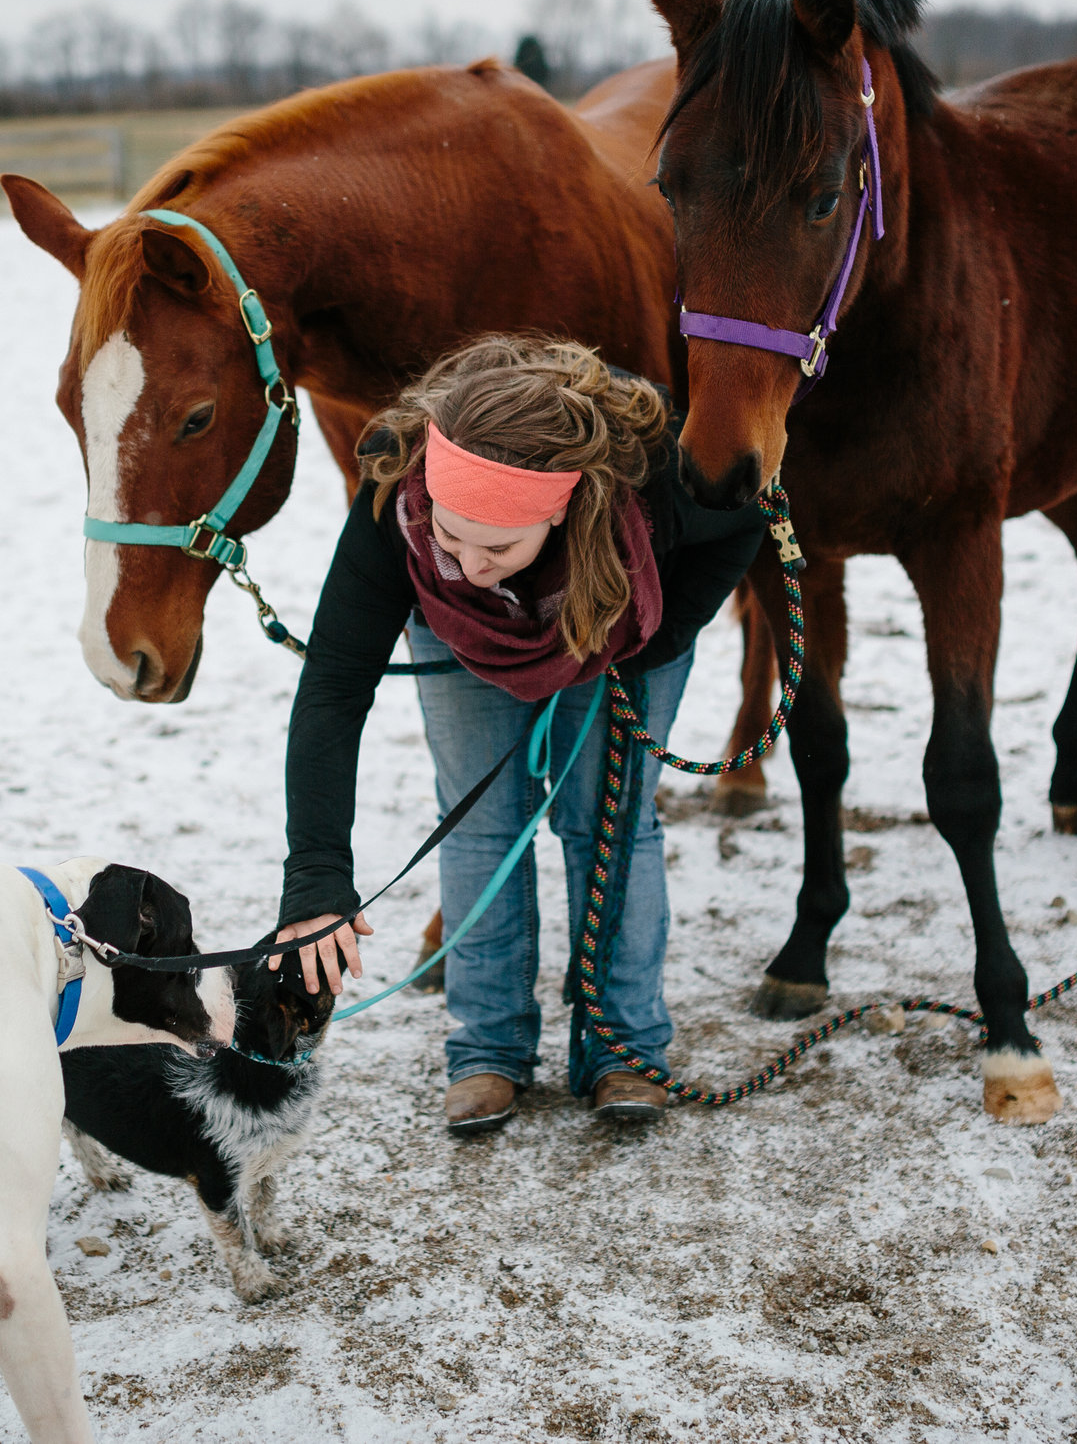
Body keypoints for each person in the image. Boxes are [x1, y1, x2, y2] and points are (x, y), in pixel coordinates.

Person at [271, 336, 764, 1134]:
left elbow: (747, 511)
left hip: (624, 608)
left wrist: (654, 636)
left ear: (566, 505)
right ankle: (488, 1051)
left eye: (495, 545)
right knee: (481, 823)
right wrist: (316, 877)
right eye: (449, 536)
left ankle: (624, 1047)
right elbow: (332, 688)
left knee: (608, 823)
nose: (465, 563)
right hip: (459, 638)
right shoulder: (398, 499)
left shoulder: (657, 475)